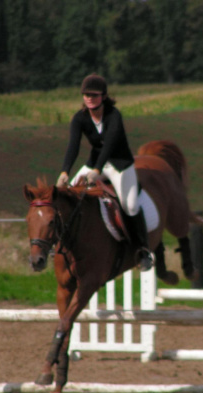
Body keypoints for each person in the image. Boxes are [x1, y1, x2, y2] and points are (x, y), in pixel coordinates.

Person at [56, 73, 153, 271]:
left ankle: (143, 250)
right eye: (86, 94)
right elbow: (73, 146)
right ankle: (62, 242)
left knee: (130, 205)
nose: (89, 98)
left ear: (104, 96)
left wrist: (97, 170)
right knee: (70, 195)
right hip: (95, 164)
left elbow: (109, 146)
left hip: (120, 165)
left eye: (94, 94)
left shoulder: (113, 115)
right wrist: (65, 172)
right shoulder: (79, 118)